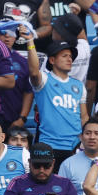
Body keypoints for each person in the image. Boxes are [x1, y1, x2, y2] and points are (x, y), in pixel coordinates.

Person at [24, 34, 87, 163]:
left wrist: (82, 140)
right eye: (64, 56)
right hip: (49, 145)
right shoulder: (45, 80)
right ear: (52, 60)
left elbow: (84, 116)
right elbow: (34, 72)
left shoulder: (79, 85)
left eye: (70, 56)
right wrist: (30, 41)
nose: (69, 59)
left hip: (74, 146)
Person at [0, 141, 83, 195]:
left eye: (47, 166)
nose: (41, 170)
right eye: (37, 165)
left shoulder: (65, 183)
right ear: (29, 162)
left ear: (53, 163)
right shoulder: (17, 182)